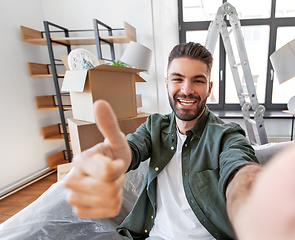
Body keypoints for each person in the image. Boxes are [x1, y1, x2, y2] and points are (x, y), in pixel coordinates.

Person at [64, 42, 295, 240]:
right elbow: (132, 148)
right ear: (166, 83)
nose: (187, 90)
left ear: (209, 87)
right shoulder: (154, 127)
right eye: (178, 79)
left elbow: (240, 170)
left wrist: (253, 207)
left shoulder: (226, 134)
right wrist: (115, 158)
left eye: (197, 81)